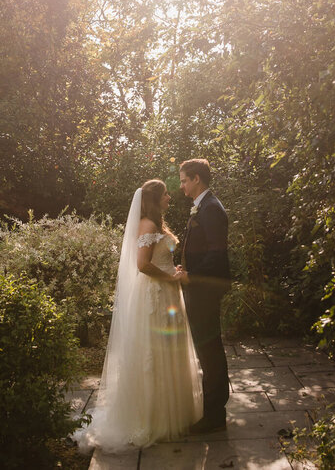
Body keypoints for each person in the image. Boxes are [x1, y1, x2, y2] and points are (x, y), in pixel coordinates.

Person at [74, 179, 202, 452]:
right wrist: (170, 276)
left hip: (167, 291)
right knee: (153, 354)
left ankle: (172, 414)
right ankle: (150, 419)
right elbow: (142, 265)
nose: (170, 196)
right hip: (156, 293)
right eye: (166, 194)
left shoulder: (157, 225)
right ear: (155, 199)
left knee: (169, 350)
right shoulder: (147, 224)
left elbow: (158, 258)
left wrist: (172, 268)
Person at [176, 158, 231, 434]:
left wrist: (191, 276)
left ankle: (214, 415)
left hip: (206, 289)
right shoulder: (203, 206)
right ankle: (213, 411)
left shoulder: (211, 209)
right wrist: (184, 268)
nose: (182, 185)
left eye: (185, 179)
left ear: (197, 179)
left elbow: (216, 254)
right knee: (206, 349)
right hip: (199, 287)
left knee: (209, 351)